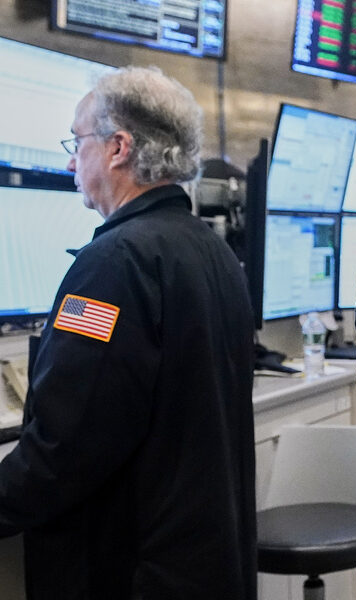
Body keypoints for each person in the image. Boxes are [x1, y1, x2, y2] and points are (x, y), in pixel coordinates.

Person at [0, 67, 257, 599]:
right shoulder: (212, 251)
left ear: (118, 148)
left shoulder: (111, 264)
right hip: (204, 565)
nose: (71, 161)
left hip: (131, 572)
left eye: (77, 142)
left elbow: (66, 448)